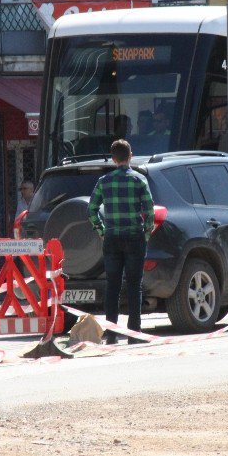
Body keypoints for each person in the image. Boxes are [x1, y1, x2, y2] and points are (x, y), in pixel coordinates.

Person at [87, 139, 155, 345]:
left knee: (112, 286)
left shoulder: (104, 181)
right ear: (130, 156)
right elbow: (150, 210)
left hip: (112, 238)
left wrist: (101, 231)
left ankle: (112, 334)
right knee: (134, 285)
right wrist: (145, 234)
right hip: (134, 237)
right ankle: (134, 333)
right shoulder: (139, 180)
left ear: (113, 158)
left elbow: (91, 210)